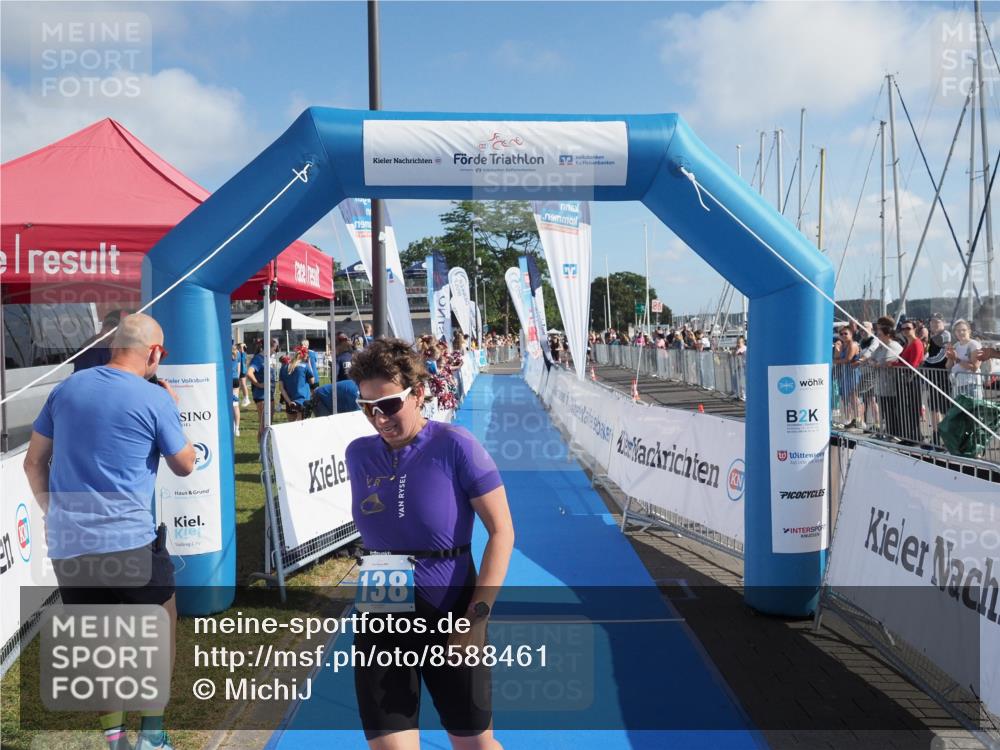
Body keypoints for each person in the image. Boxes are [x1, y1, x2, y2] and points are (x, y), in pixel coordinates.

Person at [23, 313, 196, 750]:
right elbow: (186, 464)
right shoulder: (154, 398)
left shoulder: (66, 388)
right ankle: (151, 735)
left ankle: (115, 739)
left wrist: (51, 511)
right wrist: (172, 411)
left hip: (71, 543)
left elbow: (33, 462)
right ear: (154, 352)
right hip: (131, 542)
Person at [345, 339, 514, 749]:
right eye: (366, 406)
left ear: (418, 394)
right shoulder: (358, 454)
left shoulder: (456, 445)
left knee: (473, 742)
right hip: (382, 606)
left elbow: (502, 531)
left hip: (450, 608)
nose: (377, 417)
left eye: (387, 404)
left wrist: (477, 617)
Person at [247, 338, 279, 441]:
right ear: (269, 347)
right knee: (264, 423)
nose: (276, 350)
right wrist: (258, 384)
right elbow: (249, 373)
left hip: (270, 394)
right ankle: (262, 450)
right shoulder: (258, 359)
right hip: (261, 395)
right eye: (275, 348)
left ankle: (265, 448)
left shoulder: (268, 358)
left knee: (268, 423)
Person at [946, 319, 983, 400]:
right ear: (955, 333)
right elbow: (948, 366)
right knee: (958, 412)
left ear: (969, 331)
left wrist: (956, 359)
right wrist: (950, 357)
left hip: (971, 385)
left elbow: (975, 367)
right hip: (957, 384)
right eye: (958, 330)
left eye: (963, 330)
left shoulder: (974, 345)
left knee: (972, 412)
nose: (961, 332)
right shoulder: (956, 345)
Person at [278, 345, 316, 422]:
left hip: (290, 401)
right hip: (303, 400)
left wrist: (289, 402)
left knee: (291, 426)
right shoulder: (305, 366)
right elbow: (312, 381)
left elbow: (281, 388)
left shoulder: (284, 367)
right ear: (305, 356)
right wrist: (308, 363)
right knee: (303, 426)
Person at [231, 342, 242, 437]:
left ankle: (233, 426)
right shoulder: (238, 353)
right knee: (235, 404)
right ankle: (237, 428)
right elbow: (239, 369)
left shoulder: (224, 351)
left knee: (228, 404)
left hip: (227, 380)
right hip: (235, 379)